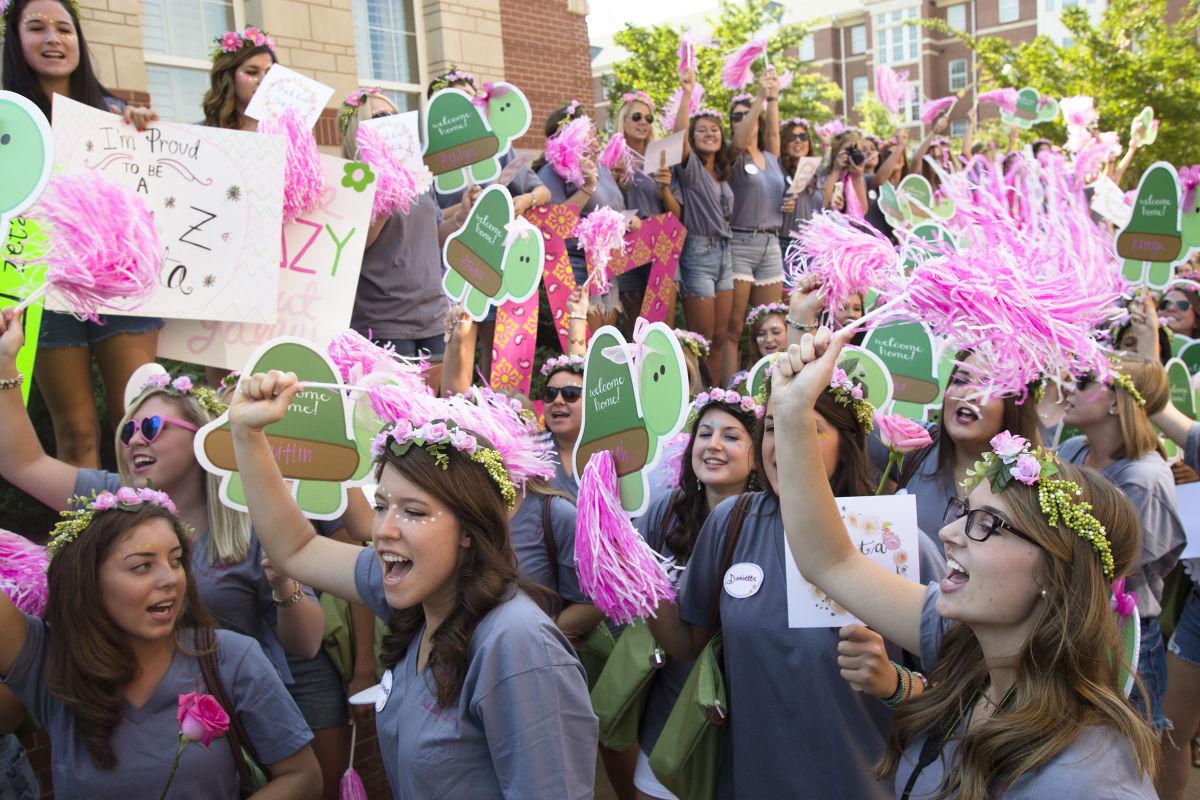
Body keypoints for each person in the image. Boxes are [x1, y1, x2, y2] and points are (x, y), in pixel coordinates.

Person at [772, 326, 1159, 799]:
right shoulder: (967, 643)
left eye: (987, 524)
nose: (947, 534)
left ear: (1056, 574)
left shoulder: (1087, 779)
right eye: (963, 512)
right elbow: (829, 561)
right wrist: (791, 411)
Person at [226, 371, 599, 798]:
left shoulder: (517, 645)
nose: (383, 529)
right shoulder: (420, 600)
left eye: (415, 512)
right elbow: (297, 550)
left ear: (469, 530)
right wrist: (248, 432)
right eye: (382, 505)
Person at [641, 371, 944, 798]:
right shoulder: (733, 521)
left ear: (848, 443)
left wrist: (896, 683)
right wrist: (631, 574)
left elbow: (966, 689)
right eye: (771, 428)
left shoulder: (899, 541)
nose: (783, 443)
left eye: (804, 427)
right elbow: (686, 642)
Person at [0, 488, 320, 796]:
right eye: (142, 566)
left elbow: (303, 776)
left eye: (176, 560)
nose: (170, 579)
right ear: (87, 579)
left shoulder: (231, 657)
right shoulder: (50, 660)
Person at [2, 0, 162, 468]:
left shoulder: (115, 114)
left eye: (64, 29)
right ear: (15, 39)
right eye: (37, 28)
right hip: (44, 285)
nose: (53, 38)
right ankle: (85, 542)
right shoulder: (7, 121)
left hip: (120, 282)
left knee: (140, 422)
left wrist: (144, 132)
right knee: (74, 431)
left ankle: (154, 532)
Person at [629, 388, 760, 800]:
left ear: (759, 454)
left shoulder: (771, 523)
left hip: (745, 718)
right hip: (670, 708)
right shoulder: (665, 511)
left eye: (731, 436)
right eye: (704, 433)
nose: (713, 445)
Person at [1058, 355, 1185, 736]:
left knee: (1126, 765)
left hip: (1123, 642)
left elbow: (1117, 566)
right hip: (1070, 627)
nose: (1068, 388)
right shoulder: (1073, 452)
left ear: (1117, 401)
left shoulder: (1144, 478)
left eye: (1082, 381)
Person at [339, 87, 475, 391]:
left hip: (433, 316)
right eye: (380, 117)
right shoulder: (353, 179)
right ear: (358, 129)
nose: (391, 122)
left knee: (441, 414)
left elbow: (431, 236)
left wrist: (460, 217)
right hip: (385, 322)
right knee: (395, 424)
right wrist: (386, 188)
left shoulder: (417, 176)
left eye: (394, 115)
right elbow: (356, 244)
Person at [535, 101, 630, 331]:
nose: (595, 143)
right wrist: (587, 186)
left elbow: (611, 211)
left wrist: (627, 219)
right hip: (577, 268)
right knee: (587, 347)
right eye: (586, 138)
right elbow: (554, 226)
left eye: (594, 135)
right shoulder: (551, 172)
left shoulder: (602, 168)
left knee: (606, 344)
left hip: (606, 267)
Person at [724, 71, 790, 383]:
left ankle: (772, 383)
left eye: (748, 115)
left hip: (771, 244)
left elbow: (775, 133)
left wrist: (773, 97)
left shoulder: (770, 157)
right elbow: (740, 139)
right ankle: (731, 389)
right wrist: (760, 98)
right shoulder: (731, 155)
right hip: (741, 243)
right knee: (736, 327)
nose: (743, 120)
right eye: (736, 116)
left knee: (771, 323)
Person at [669, 71, 735, 383]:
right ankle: (699, 398)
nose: (709, 134)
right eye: (702, 131)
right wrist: (686, 93)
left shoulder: (722, 173)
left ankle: (721, 394)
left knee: (721, 336)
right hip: (698, 253)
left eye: (715, 130)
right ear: (693, 139)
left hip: (726, 252)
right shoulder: (691, 169)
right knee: (702, 340)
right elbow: (677, 135)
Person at [611, 91, 682, 330]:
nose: (643, 122)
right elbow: (602, 208)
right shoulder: (610, 159)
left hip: (660, 245)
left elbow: (676, 215)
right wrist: (612, 180)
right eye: (637, 117)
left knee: (663, 327)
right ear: (624, 120)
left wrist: (664, 188)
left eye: (649, 119)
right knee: (636, 330)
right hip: (626, 247)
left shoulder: (661, 158)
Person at [201, 27, 276, 131]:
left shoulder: (292, 133)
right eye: (252, 72)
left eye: (269, 73)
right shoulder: (200, 133)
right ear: (228, 78)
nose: (263, 81)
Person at [778, 117, 821, 256]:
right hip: (785, 245)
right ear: (783, 143)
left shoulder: (816, 175)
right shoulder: (777, 171)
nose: (798, 141)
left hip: (812, 247)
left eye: (803, 137)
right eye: (791, 137)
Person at [820, 129, 869, 217]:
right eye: (849, 150)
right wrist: (836, 170)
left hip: (848, 228)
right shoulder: (822, 173)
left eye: (858, 150)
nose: (853, 154)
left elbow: (863, 211)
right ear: (836, 151)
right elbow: (821, 204)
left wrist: (857, 177)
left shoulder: (856, 177)